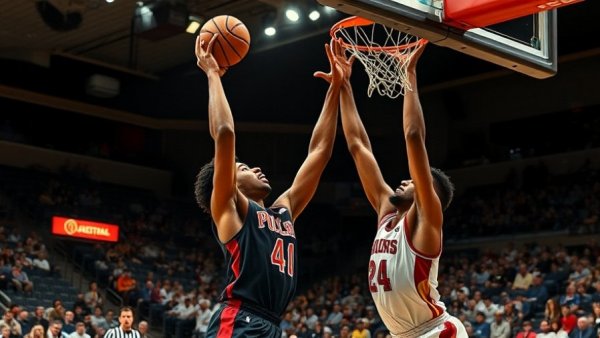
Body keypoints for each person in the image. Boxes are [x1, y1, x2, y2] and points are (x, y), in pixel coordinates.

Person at [194, 33, 342, 338]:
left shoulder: (282, 212)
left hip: (272, 325)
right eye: (244, 167)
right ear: (228, 183)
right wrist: (212, 74)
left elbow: (319, 153)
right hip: (238, 320)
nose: (256, 168)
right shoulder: (229, 211)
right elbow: (224, 133)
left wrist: (336, 90)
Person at [337, 40, 467, 337]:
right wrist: (343, 85)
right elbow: (358, 146)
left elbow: (413, 136)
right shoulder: (386, 211)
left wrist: (409, 74)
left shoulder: (425, 219)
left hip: (436, 331)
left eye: (415, 181)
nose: (406, 180)